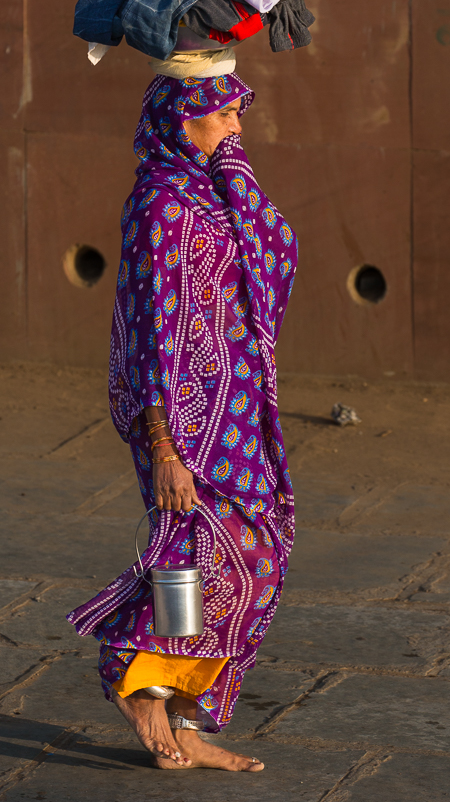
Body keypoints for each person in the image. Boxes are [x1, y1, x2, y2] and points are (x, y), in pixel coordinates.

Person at [68, 66, 297, 771]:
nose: (236, 128)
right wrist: (164, 445)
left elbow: (277, 247)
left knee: (258, 554)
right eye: (224, 115)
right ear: (182, 119)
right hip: (179, 418)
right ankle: (140, 685)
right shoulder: (160, 206)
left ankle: (186, 713)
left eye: (237, 116)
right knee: (196, 557)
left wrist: (234, 168)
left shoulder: (215, 190)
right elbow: (149, 328)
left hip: (238, 404)